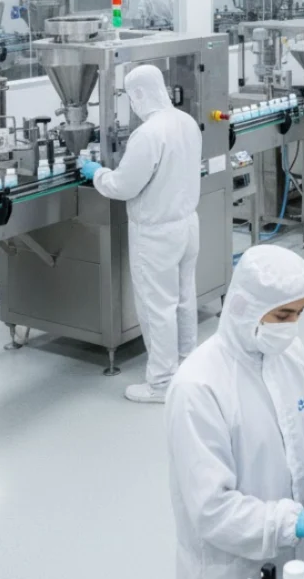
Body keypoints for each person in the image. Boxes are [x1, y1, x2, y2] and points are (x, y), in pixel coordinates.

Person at [165, 245, 304, 578]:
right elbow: (212, 510)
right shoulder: (198, 387)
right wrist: (296, 522)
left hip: (296, 559)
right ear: (244, 308)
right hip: (231, 567)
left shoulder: (289, 354)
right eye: (283, 316)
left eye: (300, 313)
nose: (292, 326)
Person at [80, 65, 201, 403]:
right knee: (183, 299)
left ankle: (161, 383)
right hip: (188, 224)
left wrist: (97, 173)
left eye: (131, 97)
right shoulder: (186, 122)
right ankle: (188, 367)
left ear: (139, 95)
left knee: (157, 306)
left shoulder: (148, 134)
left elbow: (123, 186)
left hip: (157, 233)